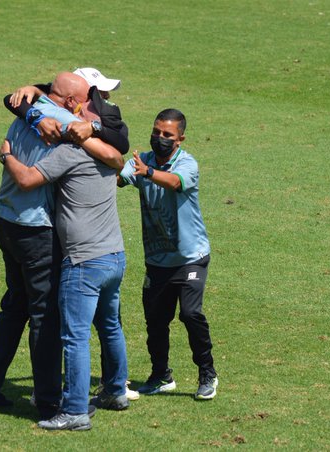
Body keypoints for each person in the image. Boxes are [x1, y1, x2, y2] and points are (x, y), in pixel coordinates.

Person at [0, 72, 125, 419]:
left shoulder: (26, 107)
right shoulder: (67, 120)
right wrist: (97, 135)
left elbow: (12, 98)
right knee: (45, 315)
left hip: (4, 220)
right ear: (72, 102)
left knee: (15, 307)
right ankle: (50, 399)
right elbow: (117, 153)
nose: (87, 108)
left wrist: (32, 93)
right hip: (35, 228)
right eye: (84, 101)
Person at [117, 109, 219, 400]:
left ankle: (207, 373)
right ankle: (161, 375)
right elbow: (118, 178)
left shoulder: (187, 163)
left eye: (167, 135)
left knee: (190, 313)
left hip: (191, 256)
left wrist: (146, 173)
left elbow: (175, 183)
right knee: (156, 320)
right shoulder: (142, 161)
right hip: (157, 259)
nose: (159, 138)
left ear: (180, 139)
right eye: (157, 132)